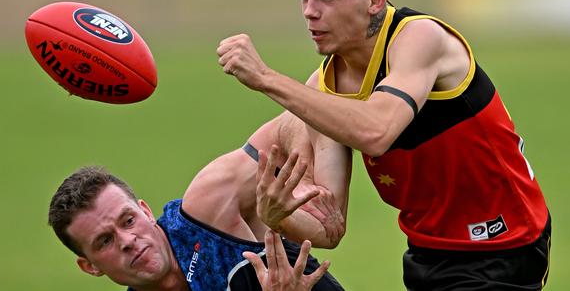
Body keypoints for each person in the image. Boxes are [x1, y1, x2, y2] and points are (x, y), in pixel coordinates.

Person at [216, 0, 551, 289]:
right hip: (427, 252)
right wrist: (277, 215)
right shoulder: (324, 88)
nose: (310, 12)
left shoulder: (420, 38)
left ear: (375, 0)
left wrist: (265, 78)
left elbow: (376, 132)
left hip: (504, 245)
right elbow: (330, 228)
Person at [48, 112, 351, 291]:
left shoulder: (207, 208)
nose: (127, 240)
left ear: (145, 210)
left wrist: (306, 186)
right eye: (104, 241)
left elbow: (297, 119)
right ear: (90, 267)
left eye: (128, 220)